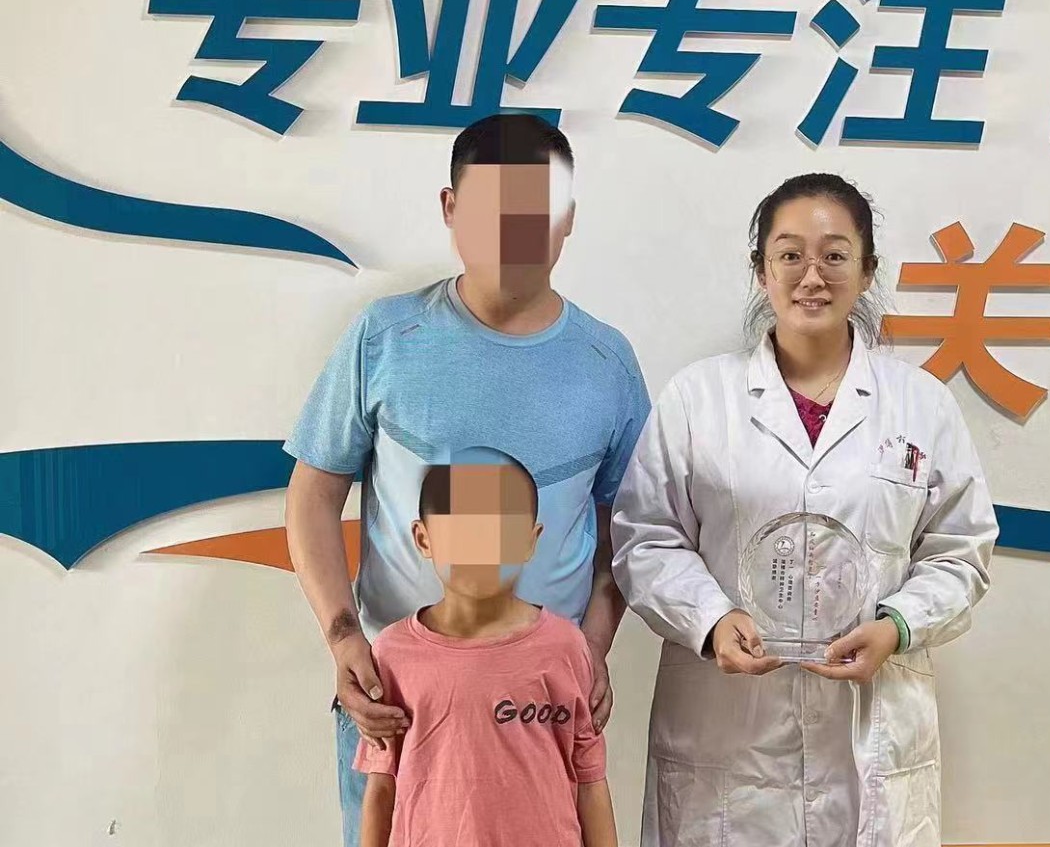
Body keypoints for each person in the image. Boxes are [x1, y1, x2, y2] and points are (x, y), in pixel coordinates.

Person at [284, 114, 648, 847]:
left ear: (568, 217)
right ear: (451, 208)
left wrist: (593, 647)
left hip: (539, 714)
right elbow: (313, 496)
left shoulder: (607, 363)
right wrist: (344, 637)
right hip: (398, 706)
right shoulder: (386, 337)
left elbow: (627, 535)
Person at [611, 172, 999, 847]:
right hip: (729, 730)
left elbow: (960, 551)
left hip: (868, 726)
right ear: (761, 269)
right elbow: (647, 537)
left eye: (834, 255)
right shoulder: (699, 399)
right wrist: (711, 619)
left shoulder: (920, 405)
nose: (811, 275)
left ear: (867, 270)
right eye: (790, 254)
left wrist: (898, 626)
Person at [356, 448, 616, 847]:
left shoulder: (565, 647)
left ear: (530, 540)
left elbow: (590, 780)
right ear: (423, 538)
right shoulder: (393, 655)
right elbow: (381, 789)